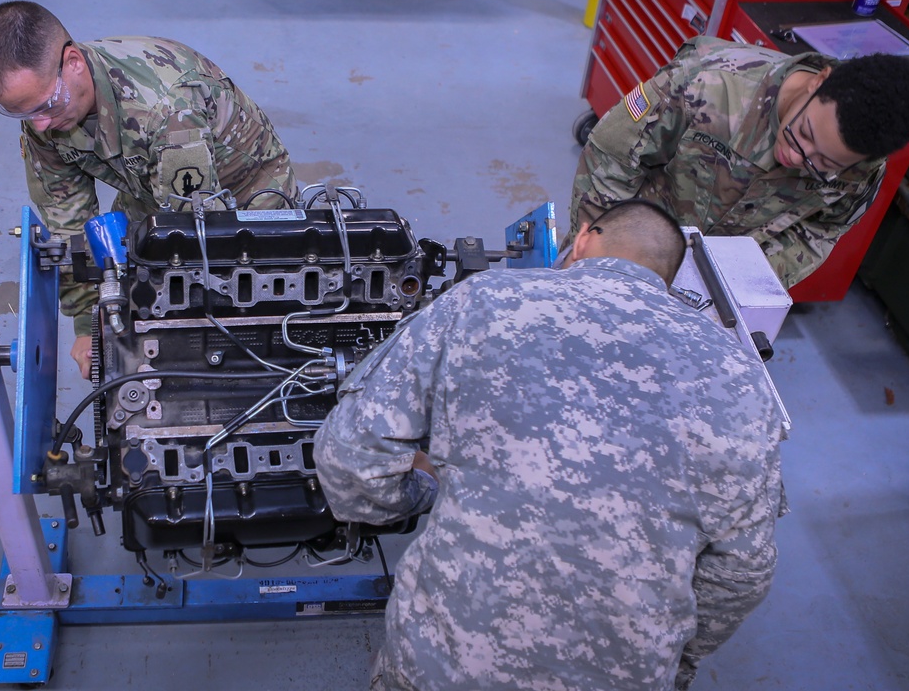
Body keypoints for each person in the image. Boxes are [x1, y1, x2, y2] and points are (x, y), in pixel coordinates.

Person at [313, 201, 786, 690]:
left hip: (445, 665)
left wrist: (424, 495)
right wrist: (676, 661)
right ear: (666, 280)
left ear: (582, 239)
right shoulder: (741, 377)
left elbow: (347, 459)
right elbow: (741, 573)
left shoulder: (483, 299)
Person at [0, 1, 298, 378]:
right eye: (24, 113)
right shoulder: (45, 114)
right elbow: (68, 224)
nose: (41, 124)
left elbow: (191, 233)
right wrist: (88, 322)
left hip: (246, 190)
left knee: (241, 317)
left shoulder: (166, 108)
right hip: (149, 188)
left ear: (73, 62)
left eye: (46, 104)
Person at [565, 36, 909, 285]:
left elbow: (818, 233)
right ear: (818, 81)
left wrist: (736, 283)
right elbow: (611, 156)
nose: (794, 156)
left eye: (823, 163)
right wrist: (597, 252)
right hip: (633, 239)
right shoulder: (712, 82)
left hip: (709, 281)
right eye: (803, 133)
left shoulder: (861, 173)